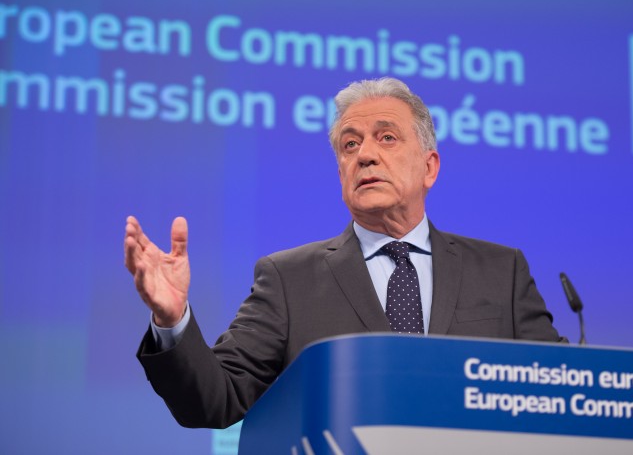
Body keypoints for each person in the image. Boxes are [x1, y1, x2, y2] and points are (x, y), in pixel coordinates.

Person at [124, 77, 565, 429]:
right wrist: (172, 320)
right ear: (340, 172)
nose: (365, 155)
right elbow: (214, 400)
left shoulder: (501, 271)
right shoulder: (289, 279)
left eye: (386, 137)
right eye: (350, 145)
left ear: (429, 167)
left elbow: (562, 392)